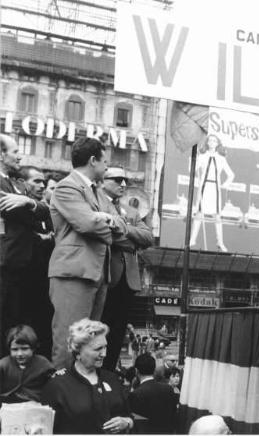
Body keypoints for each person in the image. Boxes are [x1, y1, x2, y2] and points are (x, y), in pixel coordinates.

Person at [48, 137, 123, 369]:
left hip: (96, 274)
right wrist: (108, 224)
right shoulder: (66, 186)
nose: (107, 168)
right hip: (74, 273)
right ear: (93, 161)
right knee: (69, 340)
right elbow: (87, 224)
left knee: (89, 342)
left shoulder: (98, 193)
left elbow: (121, 225)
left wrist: (107, 220)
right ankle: (61, 396)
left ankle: (80, 393)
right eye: (105, 163)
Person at [0, 135, 50, 354]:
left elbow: (41, 211)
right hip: (7, 264)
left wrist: (29, 203)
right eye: (15, 151)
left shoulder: (12, 183)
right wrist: (32, 206)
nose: (20, 155)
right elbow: (18, 212)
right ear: (2, 154)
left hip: (21, 265)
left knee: (14, 321)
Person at [100, 167, 153, 371]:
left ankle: (108, 373)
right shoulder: (98, 203)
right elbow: (107, 235)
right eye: (117, 179)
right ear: (103, 181)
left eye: (125, 180)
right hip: (107, 274)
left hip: (128, 279)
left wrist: (125, 229)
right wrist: (132, 241)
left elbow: (147, 237)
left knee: (118, 331)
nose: (123, 184)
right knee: (101, 327)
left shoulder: (129, 211)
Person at [41, 319, 133, 434]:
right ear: (78, 351)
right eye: (98, 349)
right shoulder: (57, 385)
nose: (104, 354)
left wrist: (127, 422)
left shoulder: (112, 379)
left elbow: (129, 415)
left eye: (105, 347)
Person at [21, 166, 55, 358]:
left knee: (45, 324)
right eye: (37, 181)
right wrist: (40, 239)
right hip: (25, 276)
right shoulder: (21, 208)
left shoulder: (49, 212)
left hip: (47, 279)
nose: (41, 186)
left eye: (43, 182)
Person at [189, 134, 235, 252]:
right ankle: (192, 239)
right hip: (204, 187)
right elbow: (192, 169)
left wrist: (224, 185)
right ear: (207, 143)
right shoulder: (202, 156)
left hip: (215, 188)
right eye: (210, 140)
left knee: (217, 216)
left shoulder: (221, 158)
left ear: (217, 143)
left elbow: (231, 174)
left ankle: (220, 242)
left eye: (214, 141)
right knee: (199, 213)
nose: (212, 142)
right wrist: (192, 161)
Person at [0, 325, 54, 404]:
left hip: (35, 404)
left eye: (24, 348)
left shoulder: (42, 363)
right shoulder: (4, 365)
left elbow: (54, 382)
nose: (20, 354)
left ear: (33, 348)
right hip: (8, 405)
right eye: (15, 349)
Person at [128, 353, 178, 434]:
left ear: (136, 371)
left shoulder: (136, 394)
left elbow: (136, 423)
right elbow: (174, 415)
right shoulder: (168, 389)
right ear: (154, 370)